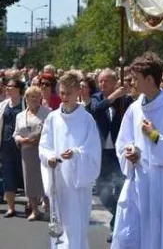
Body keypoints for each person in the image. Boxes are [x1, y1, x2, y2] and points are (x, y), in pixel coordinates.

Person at [112, 52, 163, 249]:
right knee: (132, 236)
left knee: (159, 238)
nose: (132, 83)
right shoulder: (135, 108)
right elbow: (123, 141)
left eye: (136, 79)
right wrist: (130, 152)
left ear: (149, 79)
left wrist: (154, 135)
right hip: (139, 183)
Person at [39, 72, 101, 249]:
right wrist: (50, 157)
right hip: (58, 178)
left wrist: (75, 153)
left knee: (76, 225)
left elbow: (92, 150)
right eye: (62, 93)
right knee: (59, 225)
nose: (64, 97)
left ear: (78, 93)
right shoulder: (53, 118)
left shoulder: (86, 119)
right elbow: (44, 145)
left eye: (69, 93)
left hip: (77, 180)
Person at [91, 68, 132, 241]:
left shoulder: (126, 101)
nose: (102, 84)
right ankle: (116, 213)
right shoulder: (97, 98)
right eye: (100, 81)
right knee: (103, 190)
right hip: (102, 151)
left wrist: (120, 97)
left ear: (115, 81)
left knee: (121, 187)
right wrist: (114, 96)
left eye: (106, 81)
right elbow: (97, 109)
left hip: (119, 151)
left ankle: (117, 226)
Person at [13, 86, 50, 221]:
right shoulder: (20, 116)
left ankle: (49, 207)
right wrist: (21, 140)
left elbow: (52, 132)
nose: (32, 100)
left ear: (40, 98)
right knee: (29, 180)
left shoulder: (48, 113)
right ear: (26, 99)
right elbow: (15, 133)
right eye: (30, 97)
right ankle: (35, 210)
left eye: (36, 97)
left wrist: (38, 139)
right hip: (27, 151)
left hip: (43, 150)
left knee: (45, 179)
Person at [0, 78, 26, 218]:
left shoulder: (25, 104)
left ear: (18, 89)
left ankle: (31, 205)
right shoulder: (3, 105)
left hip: (22, 146)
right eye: (7, 86)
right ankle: (11, 208)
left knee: (25, 176)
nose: (8, 88)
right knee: (8, 176)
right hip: (5, 146)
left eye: (11, 86)